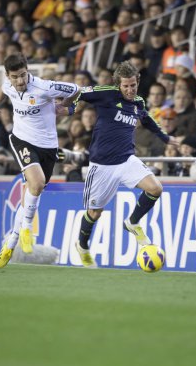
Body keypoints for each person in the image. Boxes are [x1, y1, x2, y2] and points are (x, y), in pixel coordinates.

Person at [58, 61, 178, 268]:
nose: (130, 90)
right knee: (95, 213)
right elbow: (77, 91)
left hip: (126, 159)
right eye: (126, 86)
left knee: (155, 188)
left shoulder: (138, 102)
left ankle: (132, 222)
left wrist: (165, 137)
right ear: (118, 85)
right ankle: (83, 245)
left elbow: (147, 119)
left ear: (137, 82)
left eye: (133, 85)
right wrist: (69, 107)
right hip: (102, 165)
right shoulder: (105, 93)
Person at [0, 52, 81, 269]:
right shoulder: (8, 84)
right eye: (15, 77)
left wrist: (65, 107)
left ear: (28, 71)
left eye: (23, 75)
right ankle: (25, 229)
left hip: (48, 146)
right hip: (22, 140)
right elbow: (2, 91)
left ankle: (9, 245)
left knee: (33, 193)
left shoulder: (44, 87)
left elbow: (76, 89)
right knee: (36, 183)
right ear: (8, 76)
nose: (20, 81)